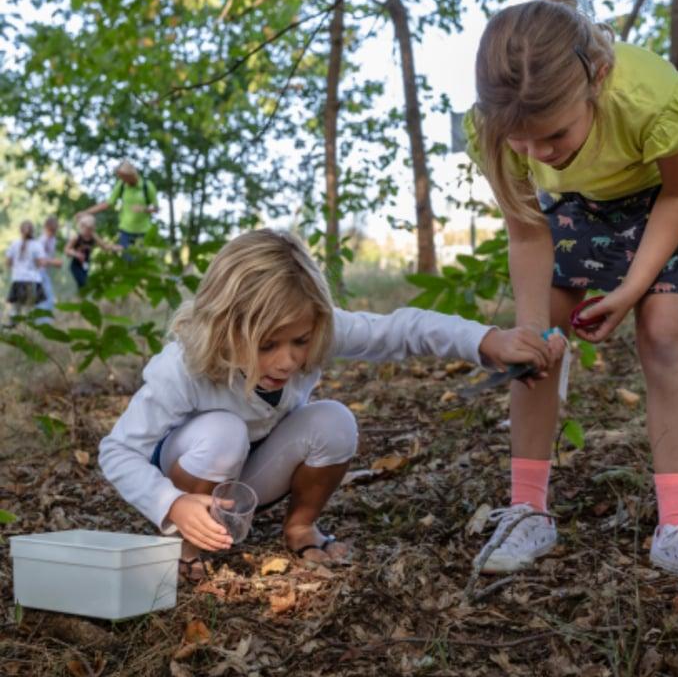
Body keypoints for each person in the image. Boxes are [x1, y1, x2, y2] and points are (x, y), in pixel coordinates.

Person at [465, 0, 678, 585]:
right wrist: (532, 330)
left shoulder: (651, 97)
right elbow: (527, 232)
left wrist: (630, 289)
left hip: (660, 198)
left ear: (596, 79)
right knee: (536, 344)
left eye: (551, 135)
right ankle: (529, 509)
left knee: (664, 330)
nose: (537, 153)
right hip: (572, 209)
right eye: (521, 142)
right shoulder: (500, 130)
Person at [99, 228, 565, 580]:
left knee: (334, 422)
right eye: (267, 346)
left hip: (250, 478)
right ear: (226, 328)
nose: (287, 361)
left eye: (299, 341)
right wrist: (172, 503)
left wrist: (487, 341)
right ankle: (187, 546)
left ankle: (301, 529)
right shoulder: (182, 367)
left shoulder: (315, 329)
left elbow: (402, 330)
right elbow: (117, 451)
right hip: (194, 467)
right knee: (224, 432)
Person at [78, 160, 158, 249]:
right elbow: (108, 203)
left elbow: (156, 208)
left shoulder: (147, 186)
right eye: (120, 177)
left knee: (143, 260)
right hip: (125, 232)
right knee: (126, 260)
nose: (122, 179)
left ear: (131, 175)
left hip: (143, 231)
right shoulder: (122, 185)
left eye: (124, 177)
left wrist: (144, 209)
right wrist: (86, 212)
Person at [5, 221, 60, 325]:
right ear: (33, 231)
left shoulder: (14, 244)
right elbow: (41, 263)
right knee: (32, 308)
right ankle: (31, 330)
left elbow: (7, 262)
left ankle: (11, 328)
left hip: (18, 279)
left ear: (20, 231)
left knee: (16, 308)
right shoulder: (37, 245)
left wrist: (17, 265)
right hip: (33, 280)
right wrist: (52, 262)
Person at [64, 214, 119, 289]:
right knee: (83, 283)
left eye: (91, 229)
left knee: (83, 287)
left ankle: (81, 298)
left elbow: (104, 246)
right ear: (82, 227)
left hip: (86, 264)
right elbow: (66, 250)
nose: (88, 231)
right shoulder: (76, 237)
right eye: (87, 229)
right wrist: (76, 254)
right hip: (75, 264)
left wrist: (115, 247)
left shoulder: (93, 236)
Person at [36, 215, 61, 316]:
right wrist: (53, 262)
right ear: (46, 228)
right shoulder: (41, 240)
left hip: (44, 273)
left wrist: (54, 262)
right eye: (51, 230)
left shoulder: (53, 240)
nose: (52, 233)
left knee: (47, 300)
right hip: (38, 273)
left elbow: (47, 258)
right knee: (46, 301)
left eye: (54, 231)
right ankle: (43, 323)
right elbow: (38, 260)